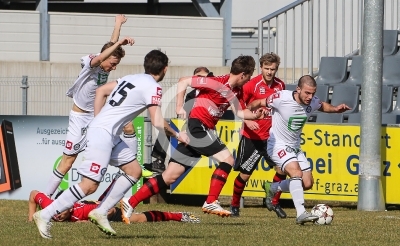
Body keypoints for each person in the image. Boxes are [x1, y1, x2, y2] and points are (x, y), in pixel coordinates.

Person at [33, 50, 189, 239]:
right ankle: (45, 214)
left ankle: (101, 211)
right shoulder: (154, 87)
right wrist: (177, 134)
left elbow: (101, 91)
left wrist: (99, 119)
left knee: (134, 171)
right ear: (165, 69)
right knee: (89, 186)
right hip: (103, 134)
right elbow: (157, 121)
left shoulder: (131, 78)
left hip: (108, 133)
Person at [115, 55, 264, 232]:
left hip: (199, 131)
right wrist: (179, 107)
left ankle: (129, 202)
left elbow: (240, 113)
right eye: (249, 76)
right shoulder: (216, 82)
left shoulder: (236, 92)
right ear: (243, 74)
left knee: (169, 176)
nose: (249, 80)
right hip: (198, 127)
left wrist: (254, 115)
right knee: (228, 160)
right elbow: (183, 81)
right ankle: (211, 201)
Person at [43, 14, 147, 198]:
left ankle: (132, 167)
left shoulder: (106, 61)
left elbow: (110, 45)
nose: (114, 68)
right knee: (67, 162)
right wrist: (119, 43)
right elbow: (102, 56)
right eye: (113, 64)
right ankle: (44, 197)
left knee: (127, 126)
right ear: (106, 59)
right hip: (80, 119)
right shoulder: (91, 63)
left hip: (98, 117)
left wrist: (117, 26)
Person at [248, 75, 350, 224]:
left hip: (295, 147)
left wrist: (335, 109)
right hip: (277, 145)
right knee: (296, 172)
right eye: (307, 93)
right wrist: (248, 115)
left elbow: (321, 105)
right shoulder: (281, 97)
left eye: (313, 93)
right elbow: (259, 102)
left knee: (307, 183)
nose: (310, 97)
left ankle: (273, 187)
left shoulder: (312, 102)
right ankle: (301, 213)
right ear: (298, 89)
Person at [229, 53, 287, 218]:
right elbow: (239, 105)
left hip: (272, 138)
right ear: (261, 67)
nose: (269, 72)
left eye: (273, 69)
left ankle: (273, 201)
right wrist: (247, 121)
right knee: (245, 175)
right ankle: (234, 205)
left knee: (282, 168)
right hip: (252, 137)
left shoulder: (280, 85)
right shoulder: (250, 85)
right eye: (267, 68)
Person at [143, 66, 213, 174]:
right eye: (198, 77)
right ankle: (159, 161)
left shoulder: (214, 93)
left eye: (204, 77)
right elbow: (186, 112)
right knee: (166, 127)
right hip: (192, 124)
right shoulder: (191, 95)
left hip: (207, 126)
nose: (201, 80)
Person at [28, 190, 199, 224]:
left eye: (62, 211)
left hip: (104, 210)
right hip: (93, 207)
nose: (57, 215)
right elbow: (33, 194)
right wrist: (30, 218)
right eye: (57, 211)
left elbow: (108, 211)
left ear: (71, 208)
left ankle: (177, 215)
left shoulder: (81, 211)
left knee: (137, 219)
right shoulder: (50, 206)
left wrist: (89, 222)